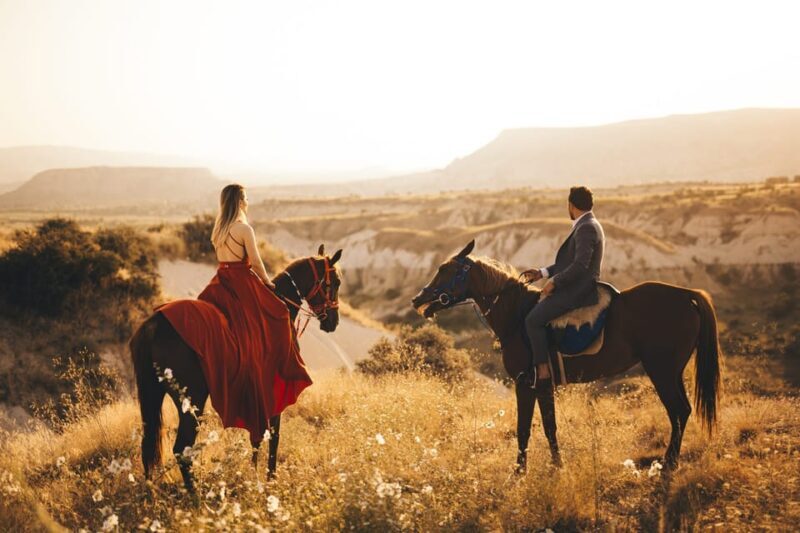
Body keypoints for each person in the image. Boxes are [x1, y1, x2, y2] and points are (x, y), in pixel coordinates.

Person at [158, 183, 312, 445]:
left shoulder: (219, 229)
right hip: (242, 282)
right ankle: (267, 370)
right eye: (246, 197)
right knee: (278, 315)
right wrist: (267, 282)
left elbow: (224, 259)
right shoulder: (243, 228)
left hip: (221, 281)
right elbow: (255, 261)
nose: (248, 201)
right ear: (241, 200)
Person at [521, 186, 605, 387]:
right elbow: (569, 263)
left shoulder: (585, 227)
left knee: (533, 320)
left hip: (578, 291)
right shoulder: (588, 223)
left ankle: (542, 371)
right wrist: (542, 273)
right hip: (576, 286)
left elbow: (579, 265)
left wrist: (554, 282)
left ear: (571, 205)